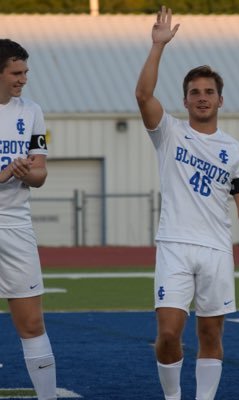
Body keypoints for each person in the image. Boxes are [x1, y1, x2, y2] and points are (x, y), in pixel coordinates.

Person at [135, 6, 239, 400]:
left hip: (216, 249)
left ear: (220, 100)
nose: (202, 98)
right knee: (169, 335)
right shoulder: (169, 133)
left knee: (210, 333)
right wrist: (158, 46)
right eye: (195, 93)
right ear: (186, 100)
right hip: (174, 246)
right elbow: (143, 95)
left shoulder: (234, 150)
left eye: (209, 92)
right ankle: (173, 397)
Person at [0, 39, 57, 399]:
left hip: (16, 225)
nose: (23, 79)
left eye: (25, 72)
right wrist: (4, 173)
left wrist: (24, 171)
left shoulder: (32, 111)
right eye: (16, 73)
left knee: (33, 323)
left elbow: (40, 174)